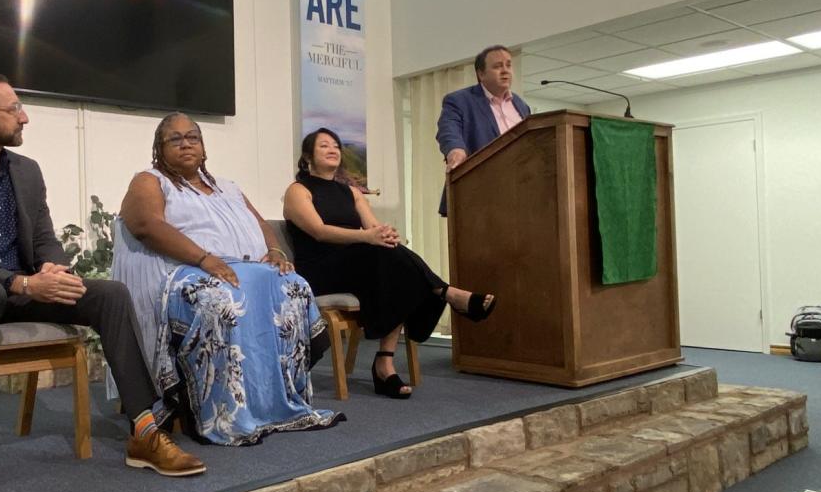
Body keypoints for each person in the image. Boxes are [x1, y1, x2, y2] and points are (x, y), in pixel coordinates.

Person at [0, 73, 204, 492]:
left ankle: (144, 429)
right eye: (14, 109)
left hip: (21, 289)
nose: (25, 118)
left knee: (109, 294)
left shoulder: (26, 171)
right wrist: (20, 283)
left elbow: (43, 239)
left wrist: (55, 271)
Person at [113, 113, 342, 445]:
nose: (186, 143)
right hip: (184, 274)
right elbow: (146, 225)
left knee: (294, 287)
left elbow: (260, 222)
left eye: (193, 136)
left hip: (241, 271)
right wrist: (205, 259)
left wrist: (276, 250)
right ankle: (219, 409)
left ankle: (273, 399)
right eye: (174, 139)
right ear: (159, 149)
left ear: (203, 147)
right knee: (218, 299)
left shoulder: (228, 187)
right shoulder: (150, 180)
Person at [283, 128, 497, 398]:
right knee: (384, 257)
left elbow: (373, 227)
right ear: (307, 156)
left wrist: (384, 234)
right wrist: (368, 236)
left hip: (359, 265)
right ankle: (446, 294)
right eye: (324, 145)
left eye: (336, 145)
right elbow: (319, 231)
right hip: (320, 269)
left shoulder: (351, 192)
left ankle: (386, 360)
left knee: (390, 256)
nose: (333, 149)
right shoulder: (298, 190)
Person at [436, 44, 532, 215]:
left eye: (508, 65)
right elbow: (448, 130)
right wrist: (456, 152)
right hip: (478, 194)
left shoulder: (521, 106)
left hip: (521, 191)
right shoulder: (460, 100)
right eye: (497, 66)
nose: (505, 71)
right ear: (481, 74)